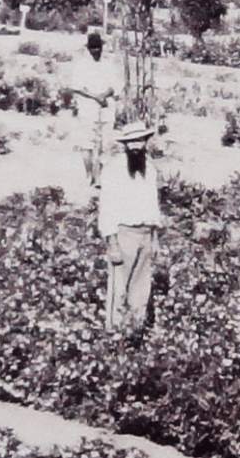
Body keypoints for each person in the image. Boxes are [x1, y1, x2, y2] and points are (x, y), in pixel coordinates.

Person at [98, 121, 162, 332]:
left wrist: (154, 239)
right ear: (125, 144)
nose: (136, 146)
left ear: (146, 141)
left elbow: (153, 205)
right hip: (124, 233)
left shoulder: (150, 169)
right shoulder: (114, 169)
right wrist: (112, 243)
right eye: (131, 141)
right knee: (118, 288)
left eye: (140, 140)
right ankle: (113, 333)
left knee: (141, 289)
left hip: (146, 233)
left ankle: (136, 332)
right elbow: (107, 207)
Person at [71, 32, 122, 186]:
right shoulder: (82, 66)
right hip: (88, 107)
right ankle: (90, 175)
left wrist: (103, 95)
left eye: (98, 47)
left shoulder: (108, 65)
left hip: (106, 107)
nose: (96, 50)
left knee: (105, 144)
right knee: (87, 143)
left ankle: (101, 176)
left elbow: (115, 85)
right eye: (93, 48)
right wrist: (95, 97)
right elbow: (77, 87)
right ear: (88, 49)